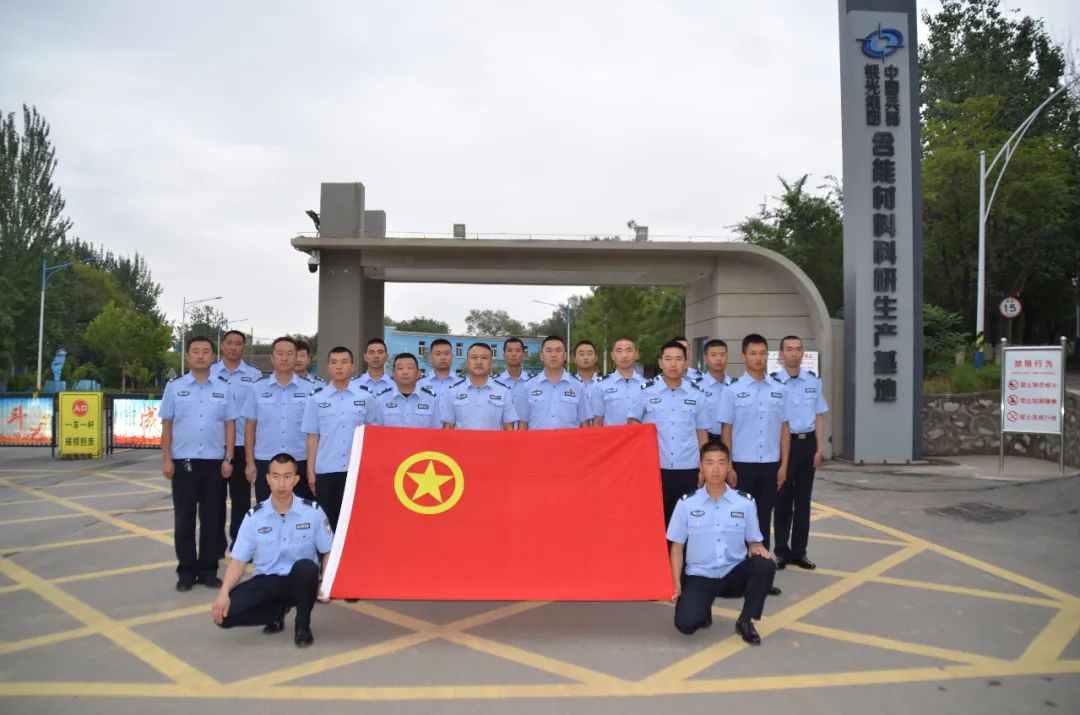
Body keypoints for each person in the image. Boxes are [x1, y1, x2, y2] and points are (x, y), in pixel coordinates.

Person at [211, 453, 333, 648]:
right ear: (268, 479)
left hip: (300, 582)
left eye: (287, 476)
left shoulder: (313, 512)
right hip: (267, 581)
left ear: (296, 479)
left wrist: (327, 584)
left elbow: (328, 551)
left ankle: (302, 626)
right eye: (276, 477)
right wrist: (223, 593)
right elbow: (238, 560)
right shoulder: (254, 517)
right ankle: (275, 613)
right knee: (224, 616)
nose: (281, 484)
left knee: (307, 568)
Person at [667, 441, 777, 644]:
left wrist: (757, 547)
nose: (715, 469)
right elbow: (677, 547)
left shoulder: (745, 503)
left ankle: (746, 620)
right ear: (701, 467)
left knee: (765, 564)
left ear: (729, 466)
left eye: (721, 463)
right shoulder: (686, 504)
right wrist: (676, 585)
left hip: (733, 573)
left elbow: (753, 540)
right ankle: (702, 609)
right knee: (686, 625)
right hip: (700, 575)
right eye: (709, 463)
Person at [160, 336, 235, 591]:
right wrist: (166, 459)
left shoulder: (224, 387)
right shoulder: (175, 387)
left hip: (214, 462)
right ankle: (186, 571)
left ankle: (208, 570)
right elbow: (167, 425)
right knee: (184, 519)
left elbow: (230, 425)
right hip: (184, 462)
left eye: (205, 351)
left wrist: (228, 458)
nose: (201, 355)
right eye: (195, 351)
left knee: (213, 519)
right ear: (188, 356)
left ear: (213, 356)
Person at [718, 333, 789, 597]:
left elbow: (785, 430)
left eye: (762, 353)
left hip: (770, 465)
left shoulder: (779, 390)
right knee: (737, 520)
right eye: (753, 353)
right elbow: (726, 430)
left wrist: (783, 465)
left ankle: (763, 578)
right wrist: (729, 466)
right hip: (742, 466)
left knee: (763, 520)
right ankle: (736, 576)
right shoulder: (732, 390)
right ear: (744, 356)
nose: (758, 358)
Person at [627, 340, 710, 526]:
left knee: (686, 523)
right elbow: (633, 421)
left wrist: (703, 467)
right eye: (668, 359)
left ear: (686, 363)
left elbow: (702, 433)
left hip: (688, 468)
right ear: (660, 362)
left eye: (678, 359)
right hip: (655, 468)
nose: (673, 364)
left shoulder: (697, 394)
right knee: (656, 521)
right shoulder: (646, 392)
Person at [771, 335, 828, 571]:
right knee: (782, 500)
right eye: (789, 349)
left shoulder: (813, 381)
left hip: (807, 445)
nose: (794, 353)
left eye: (797, 349)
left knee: (803, 502)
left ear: (803, 353)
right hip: (784, 446)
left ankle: (799, 552)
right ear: (781, 354)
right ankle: (781, 551)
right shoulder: (773, 382)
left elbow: (819, 415)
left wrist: (820, 448)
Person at [302, 346, 373, 531]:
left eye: (344, 362)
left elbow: (374, 436)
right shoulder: (317, 399)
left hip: (356, 470)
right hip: (327, 470)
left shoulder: (366, 397)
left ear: (353, 366)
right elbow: (312, 437)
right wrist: (310, 470)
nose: (339, 367)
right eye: (334, 363)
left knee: (356, 524)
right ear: (328, 367)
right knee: (328, 524)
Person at [240, 337, 315, 504]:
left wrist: (312, 466)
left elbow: (314, 431)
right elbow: (250, 427)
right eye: (280, 353)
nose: (284, 358)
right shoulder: (257, 388)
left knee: (301, 511)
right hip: (265, 460)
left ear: (296, 357)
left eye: (289, 353)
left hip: (300, 460)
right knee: (267, 510)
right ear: (272, 358)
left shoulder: (310, 389)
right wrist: (250, 462)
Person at [210, 329, 262, 556]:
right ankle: (215, 546)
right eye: (229, 343)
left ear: (244, 347)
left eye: (238, 343)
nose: (233, 347)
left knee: (241, 500)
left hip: (242, 445)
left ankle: (240, 547)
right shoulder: (210, 372)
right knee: (214, 499)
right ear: (222, 346)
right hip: (214, 446)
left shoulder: (254, 375)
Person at [515, 336, 591, 430]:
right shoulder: (527, 386)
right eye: (549, 351)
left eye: (558, 350)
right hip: (537, 439)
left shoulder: (578, 386)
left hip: (570, 439)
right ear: (541, 356)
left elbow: (584, 424)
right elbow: (523, 424)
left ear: (565, 356)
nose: (553, 355)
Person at [440, 343, 518, 430]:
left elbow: (509, 428)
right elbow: (448, 427)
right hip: (462, 439)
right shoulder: (453, 391)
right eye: (474, 357)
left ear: (491, 364)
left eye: (484, 358)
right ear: (467, 363)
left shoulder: (504, 391)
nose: (479, 362)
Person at [370, 353, 442, 428]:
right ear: (393, 374)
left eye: (410, 368)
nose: (405, 372)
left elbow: (436, 431)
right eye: (400, 368)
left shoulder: (432, 399)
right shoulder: (381, 399)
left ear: (418, 373)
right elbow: (375, 431)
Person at [589, 336, 646, 427]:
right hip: (611, 436)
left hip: (639, 436)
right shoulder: (600, 385)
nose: (624, 355)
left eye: (629, 350)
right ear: (612, 355)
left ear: (636, 354)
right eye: (619, 351)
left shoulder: (647, 386)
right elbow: (597, 421)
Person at [698, 339, 735, 442]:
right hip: (705, 439)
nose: (718, 359)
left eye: (722, 355)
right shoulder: (697, 386)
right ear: (705, 358)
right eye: (713, 355)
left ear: (727, 357)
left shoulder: (735, 385)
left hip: (732, 438)